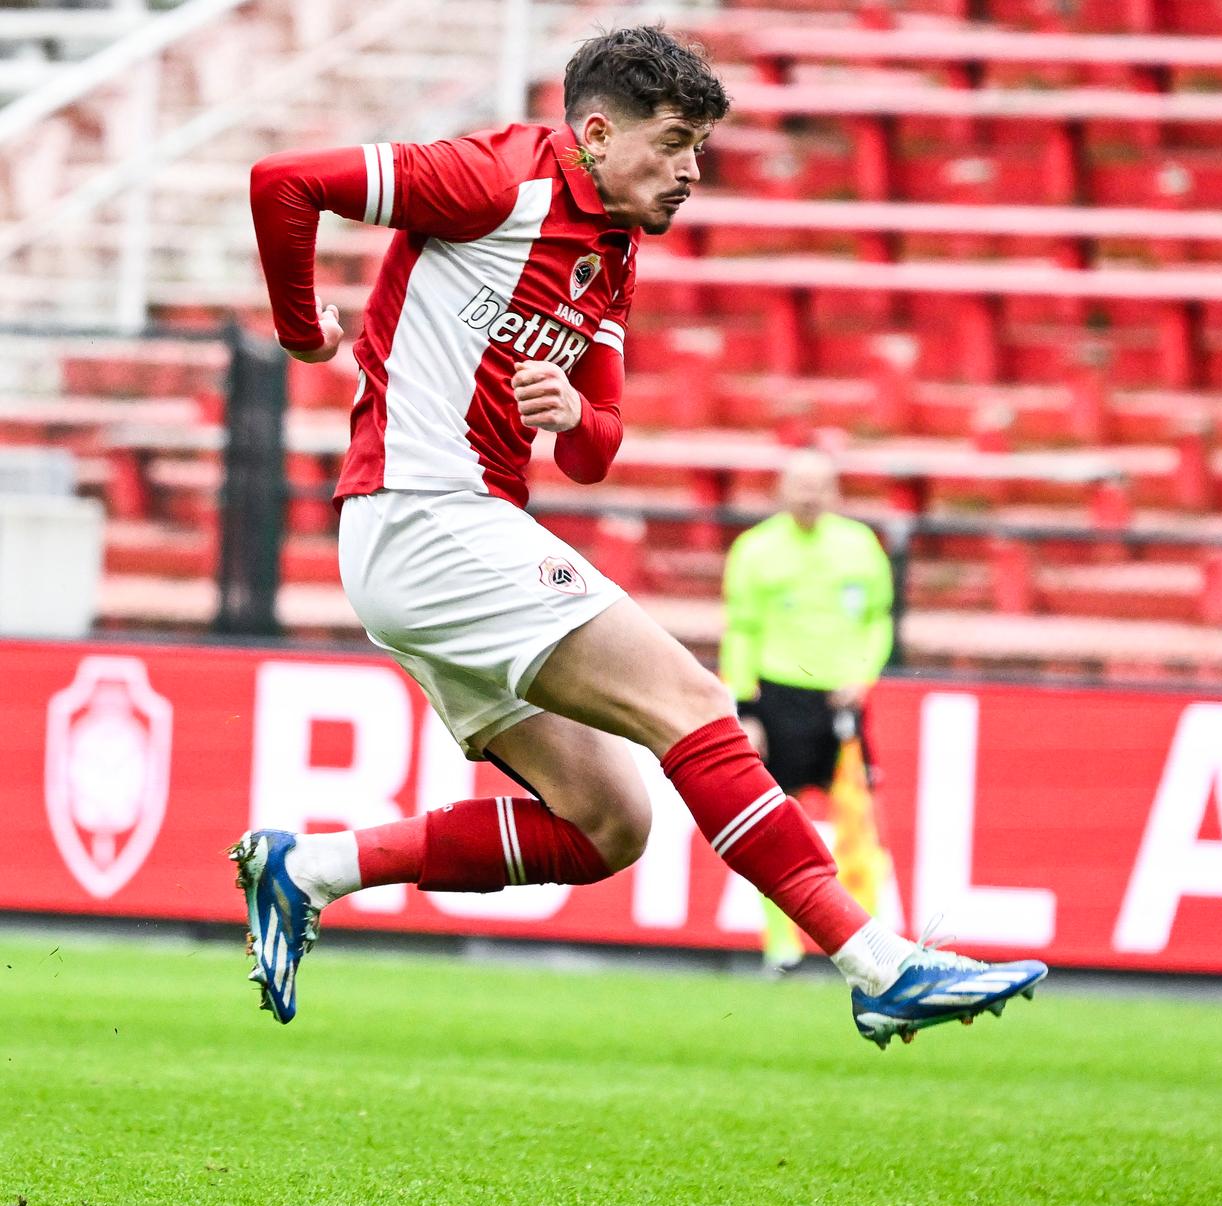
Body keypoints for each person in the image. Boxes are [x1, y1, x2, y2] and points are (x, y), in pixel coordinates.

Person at [237, 25, 1043, 1047]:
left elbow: (596, 450)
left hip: (439, 536)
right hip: (424, 512)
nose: (690, 170)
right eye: (671, 144)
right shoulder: (495, 178)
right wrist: (301, 331)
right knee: (694, 704)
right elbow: (284, 183)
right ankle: (878, 962)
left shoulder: (612, 250)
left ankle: (308, 868)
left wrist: (574, 413)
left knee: (608, 823)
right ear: (598, 133)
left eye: (698, 148)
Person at [721, 450, 895, 972]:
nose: (809, 494)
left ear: (835, 492)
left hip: (840, 701)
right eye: (799, 484)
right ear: (780, 490)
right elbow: (741, 632)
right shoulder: (755, 550)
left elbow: (878, 620)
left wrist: (863, 676)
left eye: (819, 485)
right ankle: (781, 947)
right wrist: (745, 708)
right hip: (778, 697)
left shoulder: (860, 546)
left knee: (858, 825)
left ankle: (870, 946)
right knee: (775, 828)